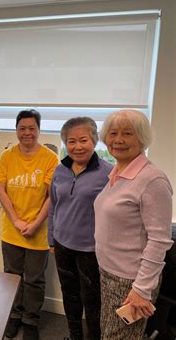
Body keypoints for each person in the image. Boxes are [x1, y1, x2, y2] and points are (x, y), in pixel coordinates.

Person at [94, 109, 173, 339]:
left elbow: (159, 240)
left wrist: (141, 289)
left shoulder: (152, 180)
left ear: (142, 138)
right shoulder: (118, 172)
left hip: (130, 280)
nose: (118, 140)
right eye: (113, 133)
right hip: (109, 272)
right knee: (110, 332)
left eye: (127, 133)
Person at [0, 109, 59, 340]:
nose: (27, 132)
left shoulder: (50, 159)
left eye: (32, 128)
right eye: (22, 128)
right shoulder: (7, 156)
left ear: (39, 130)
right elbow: (0, 189)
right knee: (12, 276)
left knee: (34, 279)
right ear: (16, 130)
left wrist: (34, 224)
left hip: (39, 232)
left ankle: (30, 320)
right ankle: (13, 316)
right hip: (11, 230)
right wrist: (16, 220)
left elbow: (53, 196)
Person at [48, 117, 113, 340]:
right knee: (70, 295)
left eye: (83, 140)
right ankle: (74, 336)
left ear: (94, 140)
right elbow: (54, 206)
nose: (77, 146)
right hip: (62, 245)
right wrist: (51, 239)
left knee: (92, 301)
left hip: (91, 250)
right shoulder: (59, 170)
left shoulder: (108, 173)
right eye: (71, 141)